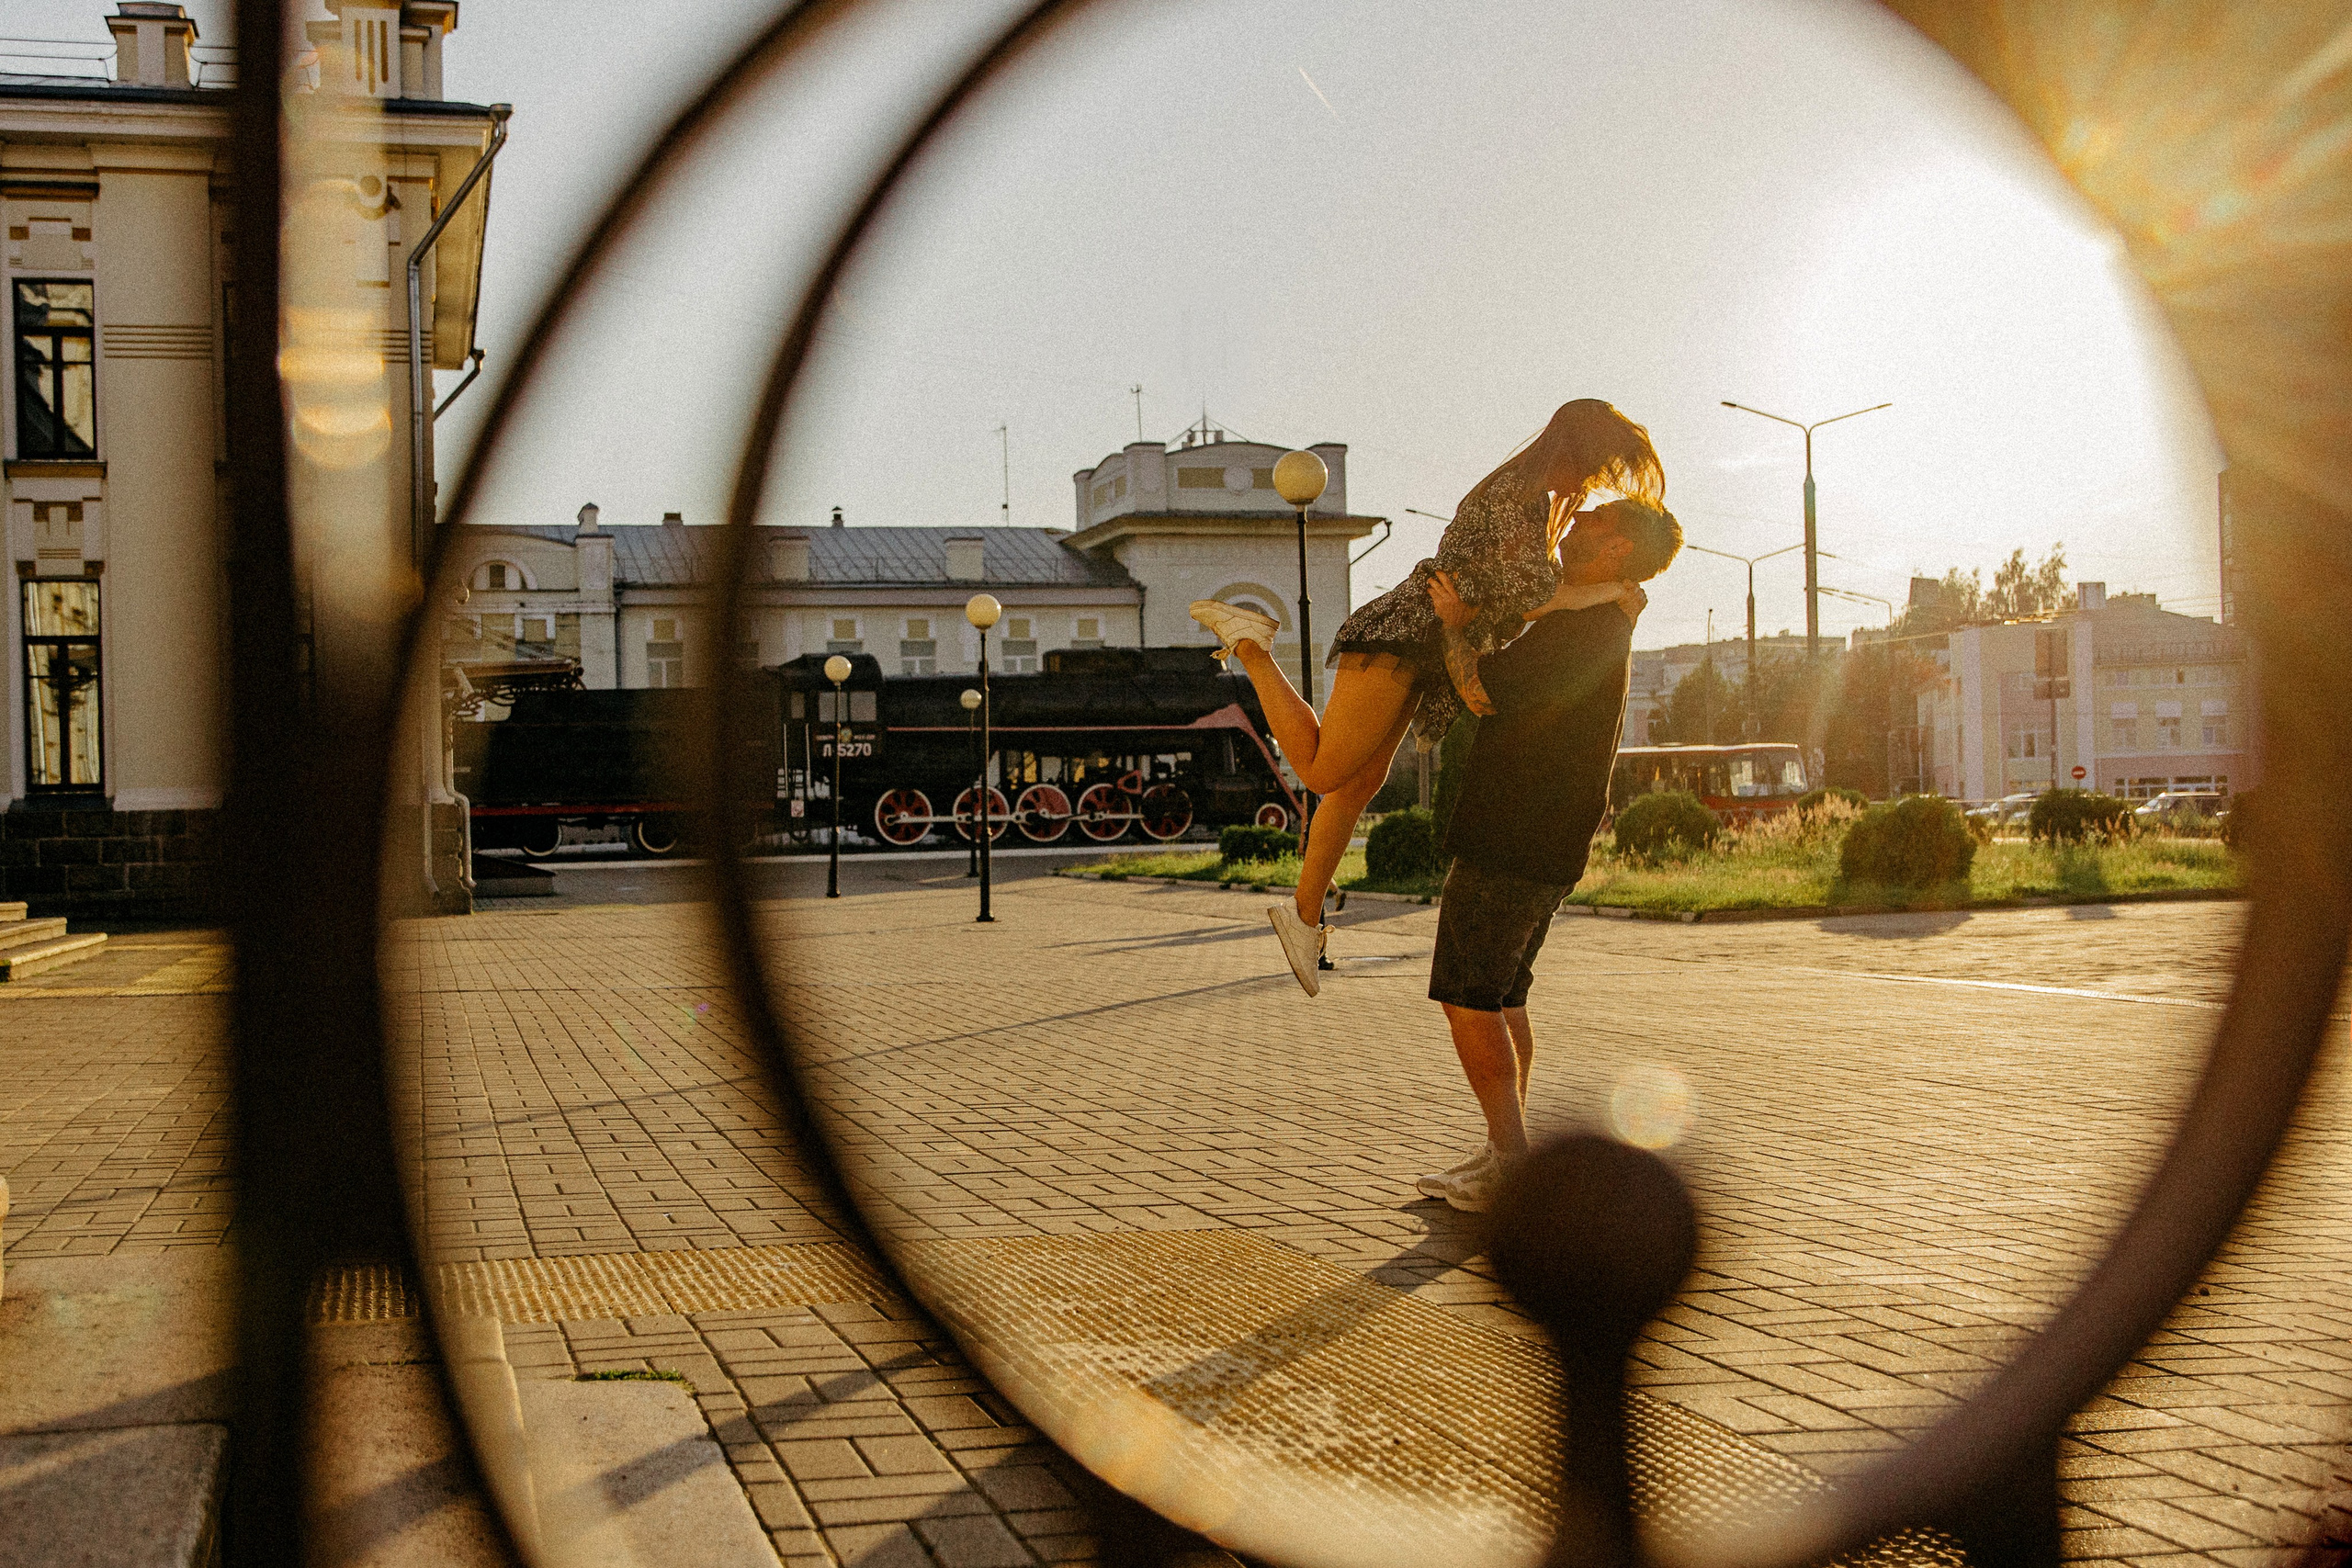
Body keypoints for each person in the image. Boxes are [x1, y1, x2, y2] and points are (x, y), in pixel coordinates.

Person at [1188, 400, 1663, 997]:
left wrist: (1607, 594)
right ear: (1574, 451)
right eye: (1594, 470)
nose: (1592, 486)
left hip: (1419, 649)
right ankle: (1251, 645)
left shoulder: (1529, 501)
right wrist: (1609, 594)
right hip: (1404, 635)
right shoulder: (1517, 499)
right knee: (1321, 768)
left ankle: (1302, 919)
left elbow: (1523, 592)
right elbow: (1523, 595)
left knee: (1358, 783)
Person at [1409, 497, 1683, 1213]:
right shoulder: (1598, 617)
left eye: (1595, 517)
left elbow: (1481, 692)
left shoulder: (1586, 629)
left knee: (1468, 997)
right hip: (1545, 837)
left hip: (1512, 834)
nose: (1578, 515)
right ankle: (1507, 1147)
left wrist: (1457, 630)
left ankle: (1512, 1161)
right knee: (1502, 994)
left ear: (1618, 547)